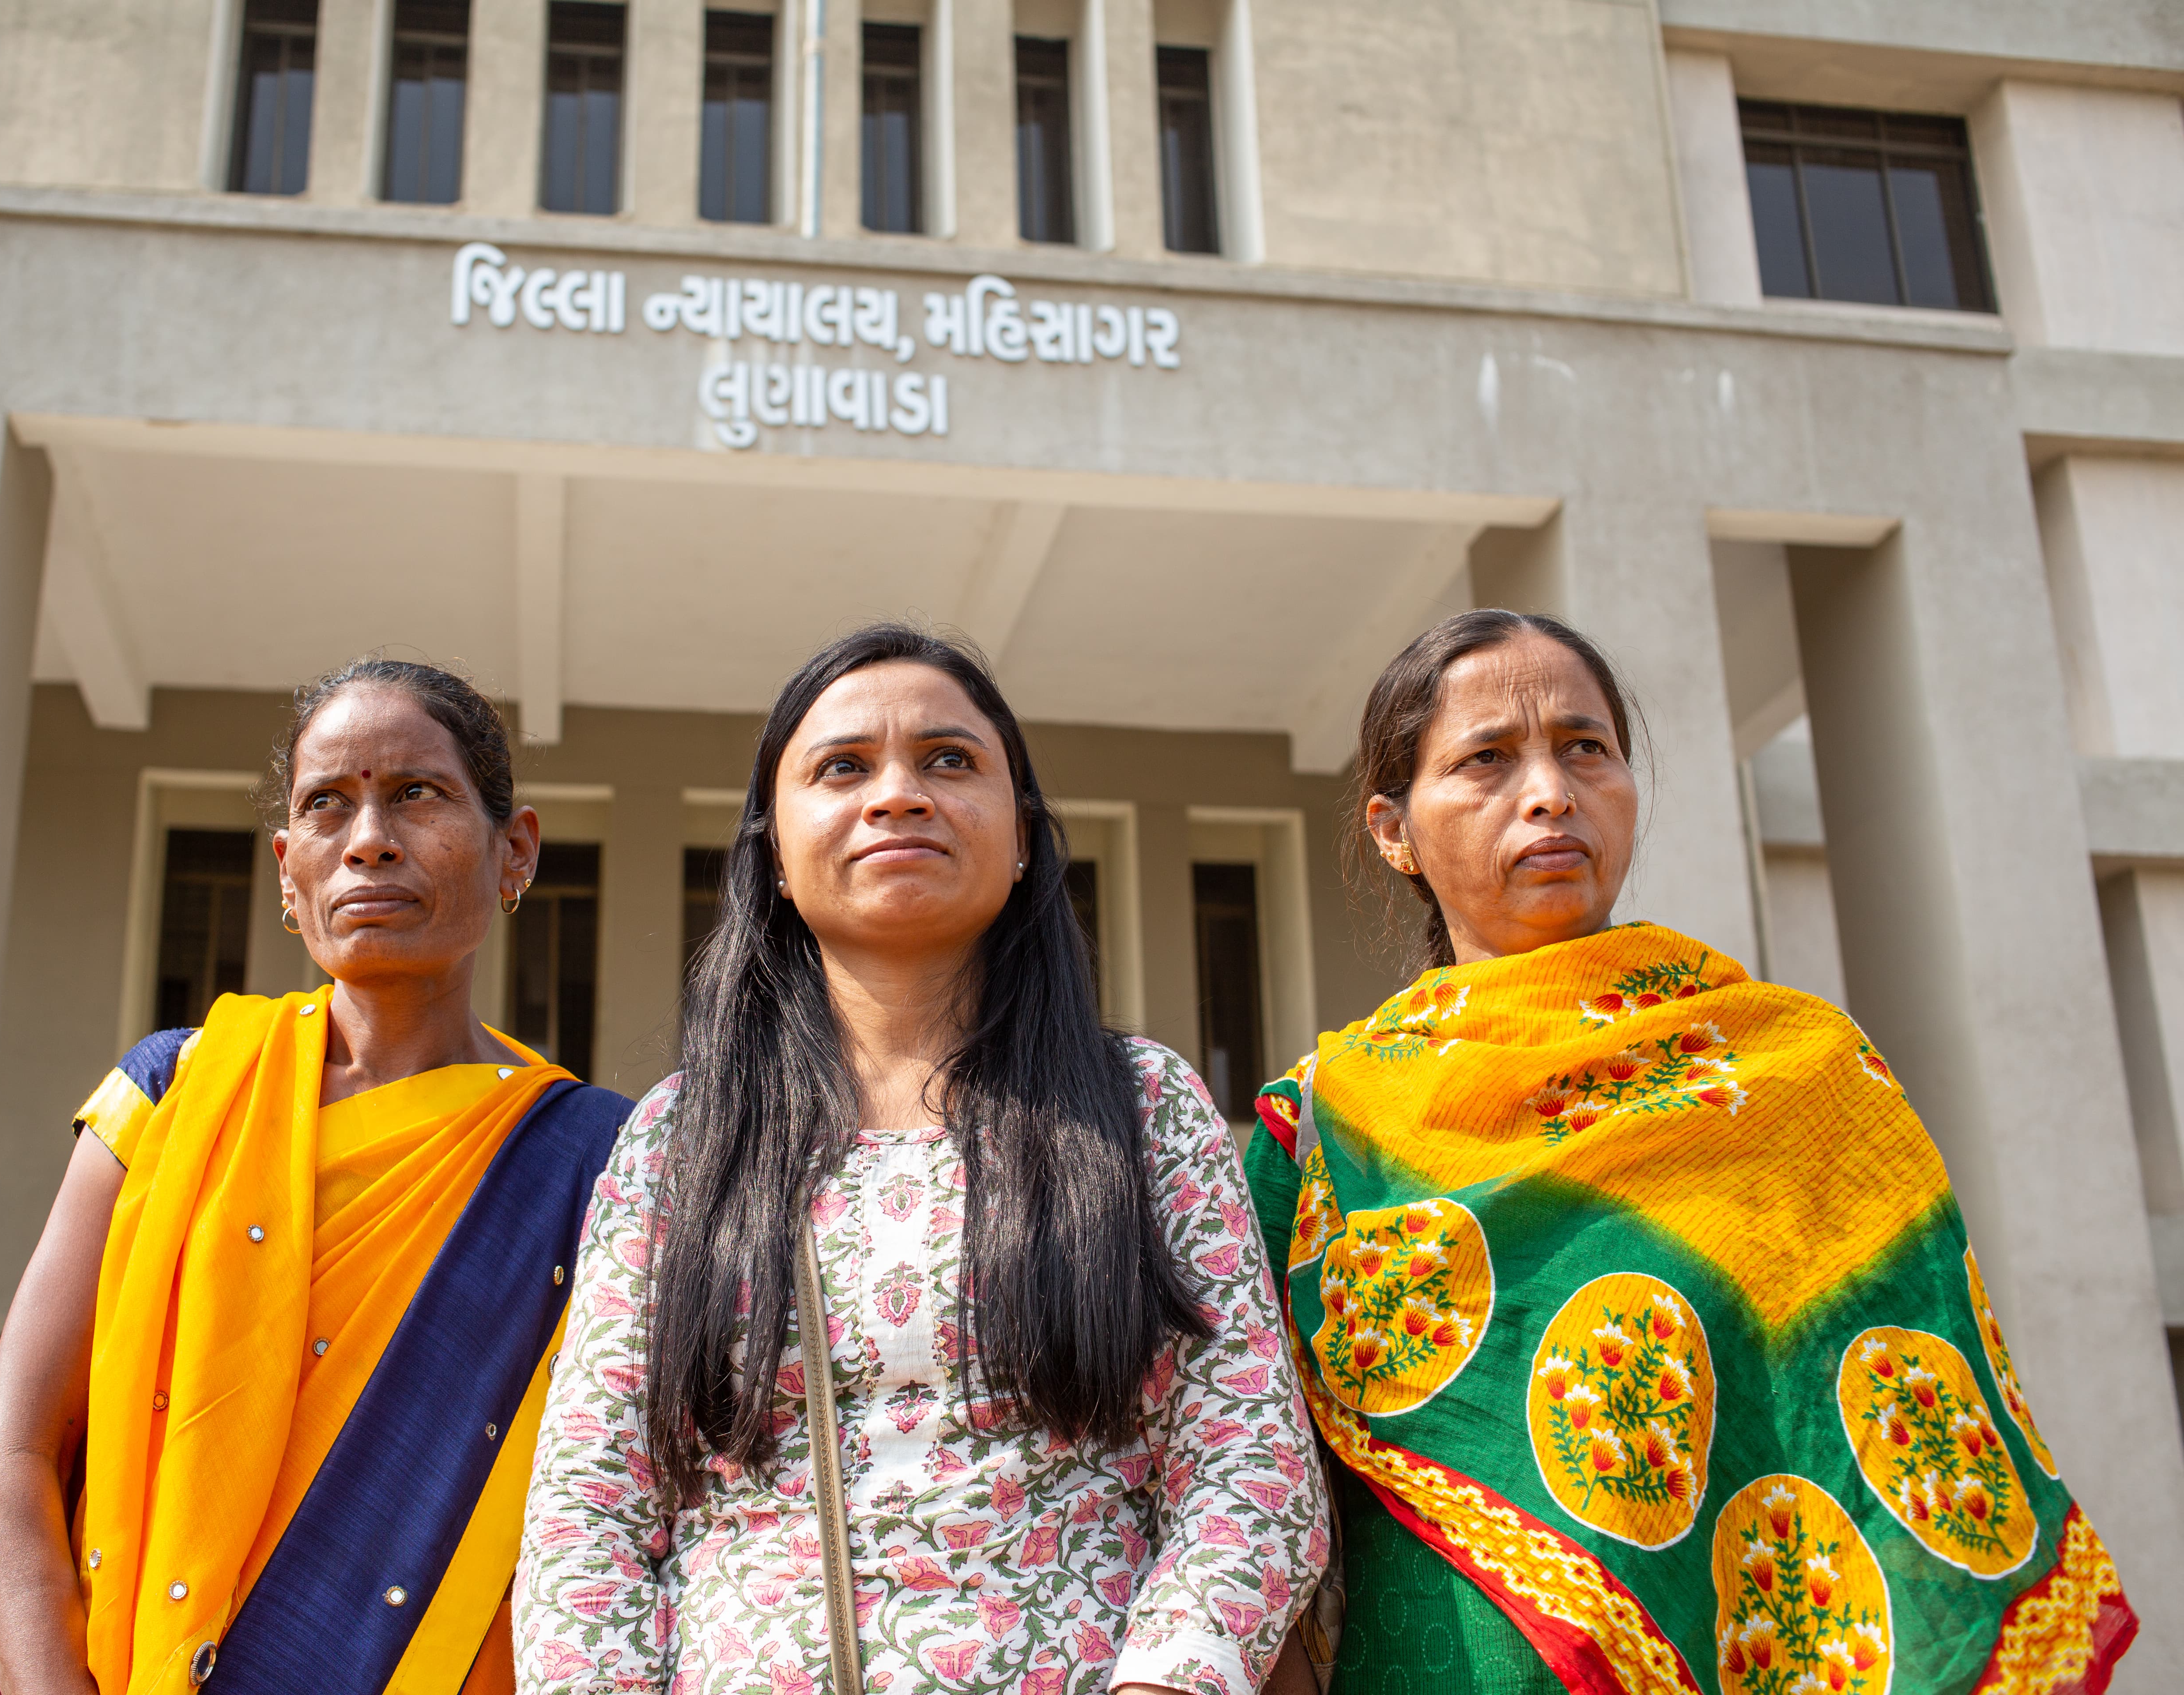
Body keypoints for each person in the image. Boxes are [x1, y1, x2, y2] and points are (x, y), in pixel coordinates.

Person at [1244, 610, 2135, 1695]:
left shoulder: (1799, 1075)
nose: (1550, 793)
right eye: (1487, 760)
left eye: (1586, 748)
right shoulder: (1325, 1126)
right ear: (1394, 830)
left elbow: (1900, 1423)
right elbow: (1245, 1479)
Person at [515, 625, 1330, 1695]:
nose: (898, 796)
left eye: (949, 760)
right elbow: (591, 1511)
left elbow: (1249, 1463)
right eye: (843, 768)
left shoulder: (1141, 1107)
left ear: (1024, 835)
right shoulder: (684, 1139)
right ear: (774, 856)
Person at [0, 658, 634, 1695]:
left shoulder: (601, 1159)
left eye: (417, 793)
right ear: (288, 868)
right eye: (328, 805)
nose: (369, 839)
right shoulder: (173, 1094)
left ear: (515, 850)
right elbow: (11, 1460)